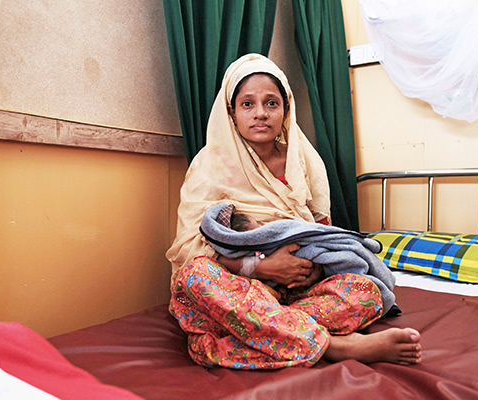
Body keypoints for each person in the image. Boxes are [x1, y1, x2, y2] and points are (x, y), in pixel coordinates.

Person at [166, 53, 421, 369]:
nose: (260, 113)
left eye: (271, 103)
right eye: (248, 104)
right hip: (242, 288)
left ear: (286, 109)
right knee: (195, 277)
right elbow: (190, 249)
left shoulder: (303, 160)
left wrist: (310, 268)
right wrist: (259, 268)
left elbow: (322, 232)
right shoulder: (210, 165)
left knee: (366, 291)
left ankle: (250, 338)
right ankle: (333, 346)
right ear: (231, 112)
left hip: (298, 293)